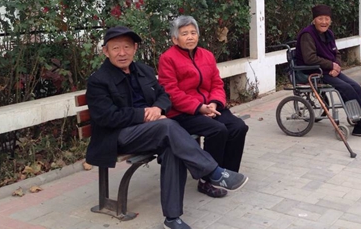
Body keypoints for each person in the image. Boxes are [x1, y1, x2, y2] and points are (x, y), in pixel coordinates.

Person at [86, 26, 248, 229]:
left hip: (152, 131)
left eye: (127, 47)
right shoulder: (98, 81)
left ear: (135, 48)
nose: (122, 53)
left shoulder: (143, 71)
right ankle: (214, 172)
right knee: (168, 126)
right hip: (118, 136)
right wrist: (144, 114)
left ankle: (172, 218)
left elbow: (164, 96)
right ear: (105, 51)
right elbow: (106, 117)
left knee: (173, 148)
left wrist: (157, 108)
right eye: (115, 48)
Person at [158, 16, 249, 199]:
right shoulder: (167, 59)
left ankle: (226, 173)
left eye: (193, 33)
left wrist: (214, 103)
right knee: (217, 130)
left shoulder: (207, 55)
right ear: (175, 39)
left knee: (238, 127)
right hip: (183, 112)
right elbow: (171, 92)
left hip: (210, 106)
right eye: (184, 34)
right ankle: (207, 180)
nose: (190, 37)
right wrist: (199, 107)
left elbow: (217, 83)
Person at [294, 4, 361, 138]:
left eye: (327, 19)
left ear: (330, 21)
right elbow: (309, 58)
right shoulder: (307, 34)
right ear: (314, 20)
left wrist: (337, 65)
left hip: (328, 69)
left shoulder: (329, 33)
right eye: (320, 19)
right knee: (346, 88)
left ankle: (360, 122)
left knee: (355, 86)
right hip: (313, 71)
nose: (324, 22)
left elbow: (336, 53)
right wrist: (331, 65)